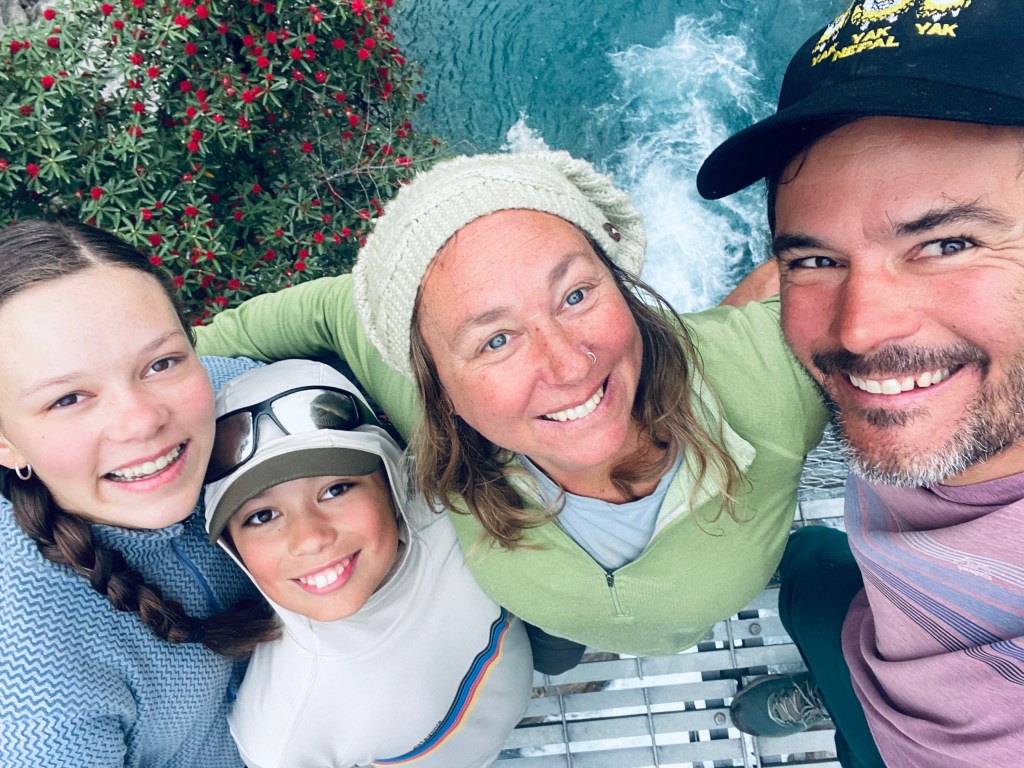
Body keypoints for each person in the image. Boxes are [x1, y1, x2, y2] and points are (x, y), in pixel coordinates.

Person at [195, 150, 827, 671]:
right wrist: (159, 413)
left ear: (619, 282)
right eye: (495, 340)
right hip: (545, 621)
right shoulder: (422, 402)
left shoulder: (772, 379)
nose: (569, 365)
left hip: (688, 616)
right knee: (550, 655)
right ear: (435, 381)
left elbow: (845, 282)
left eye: (575, 295)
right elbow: (316, 313)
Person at [697, 2, 1024, 766]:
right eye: (817, 259)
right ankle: (844, 686)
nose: (859, 331)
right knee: (809, 578)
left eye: (947, 243)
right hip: (881, 607)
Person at [0, 220, 276, 766]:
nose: (142, 420)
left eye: (161, 363)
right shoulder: (28, 672)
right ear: (6, 442)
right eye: (68, 398)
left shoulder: (239, 397)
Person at [202, 359, 533, 767]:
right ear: (234, 548)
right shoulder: (281, 735)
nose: (310, 538)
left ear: (390, 479)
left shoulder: (457, 508)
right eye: (262, 516)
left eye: (336, 489)